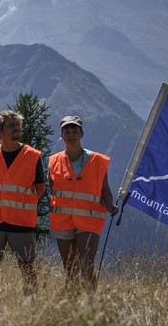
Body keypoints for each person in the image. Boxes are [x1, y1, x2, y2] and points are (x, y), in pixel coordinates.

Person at [0, 109, 47, 295]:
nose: (17, 128)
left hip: (22, 222)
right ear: (0, 133)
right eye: (11, 126)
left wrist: (23, 204)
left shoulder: (32, 156)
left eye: (18, 125)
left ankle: (31, 302)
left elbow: (40, 187)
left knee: (27, 266)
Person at [47, 115, 117, 292]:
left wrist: (110, 206)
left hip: (89, 220)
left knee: (87, 265)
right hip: (62, 221)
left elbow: (105, 191)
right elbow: (51, 189)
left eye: (74, 130)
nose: (71, 134)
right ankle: (72, 307)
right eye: (67, 131)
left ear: (82, 133)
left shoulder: (97, 161)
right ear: (61, 135)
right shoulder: (53, 161)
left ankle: (91, 308)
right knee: (70, 269)